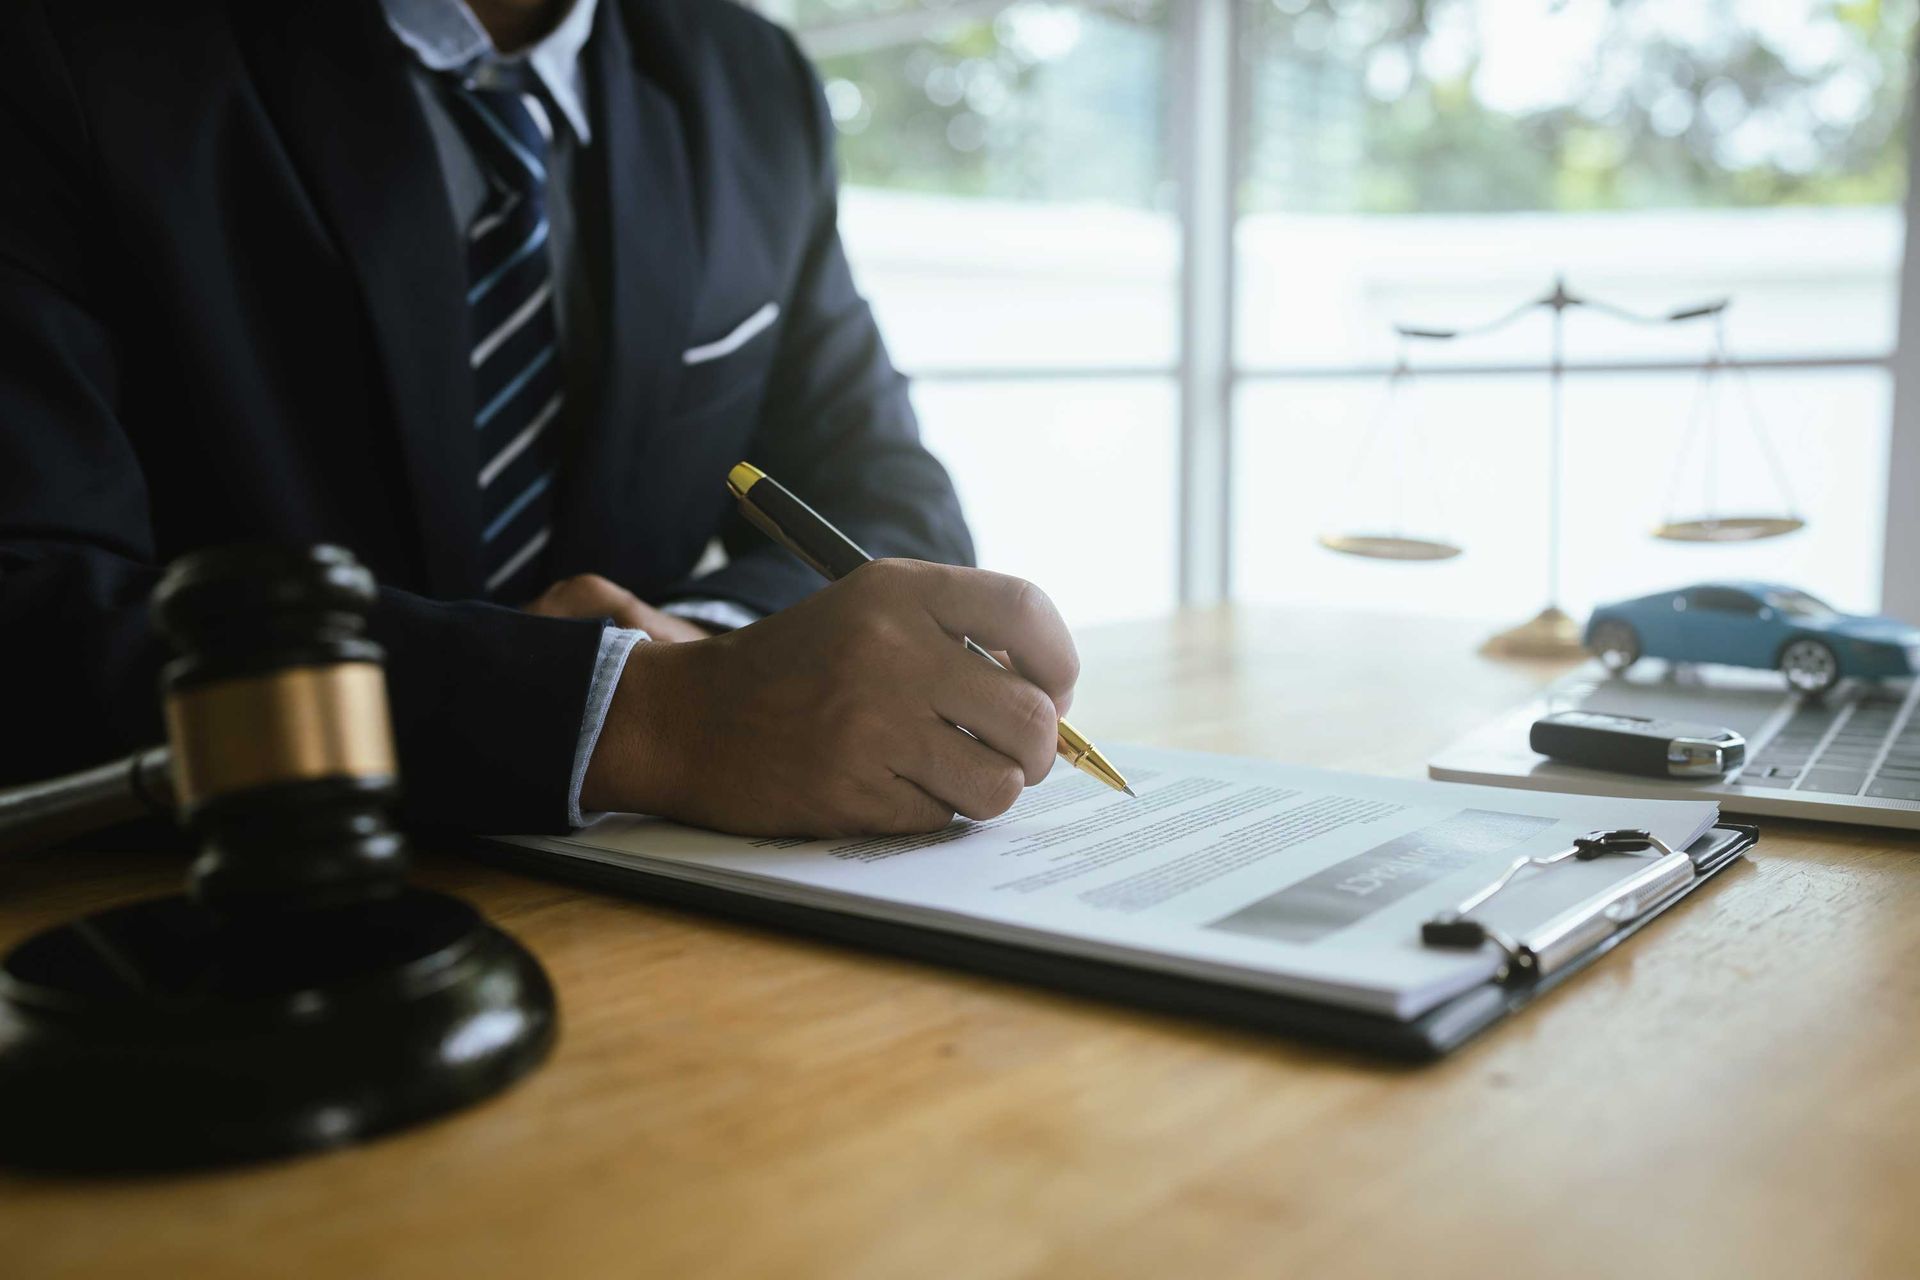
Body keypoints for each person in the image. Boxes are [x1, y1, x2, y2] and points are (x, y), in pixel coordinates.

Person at [0, 0, 1079, 837]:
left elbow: (891, 507)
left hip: (665, 915)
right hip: (206, 924)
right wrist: (635, 719)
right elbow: (27, 608)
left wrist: (703, 657)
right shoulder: (63, 49)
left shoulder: (753, 83)